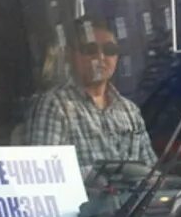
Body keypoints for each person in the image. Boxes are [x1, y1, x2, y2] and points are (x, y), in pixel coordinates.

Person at [28, 16, 156, 181]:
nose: (101, 57)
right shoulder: (54, 105)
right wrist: (100, 178)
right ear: (69, 55)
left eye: (109, 50)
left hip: (132, 206)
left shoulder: (130, 111)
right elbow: (44, 173)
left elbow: (150, 173)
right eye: (90, 49)